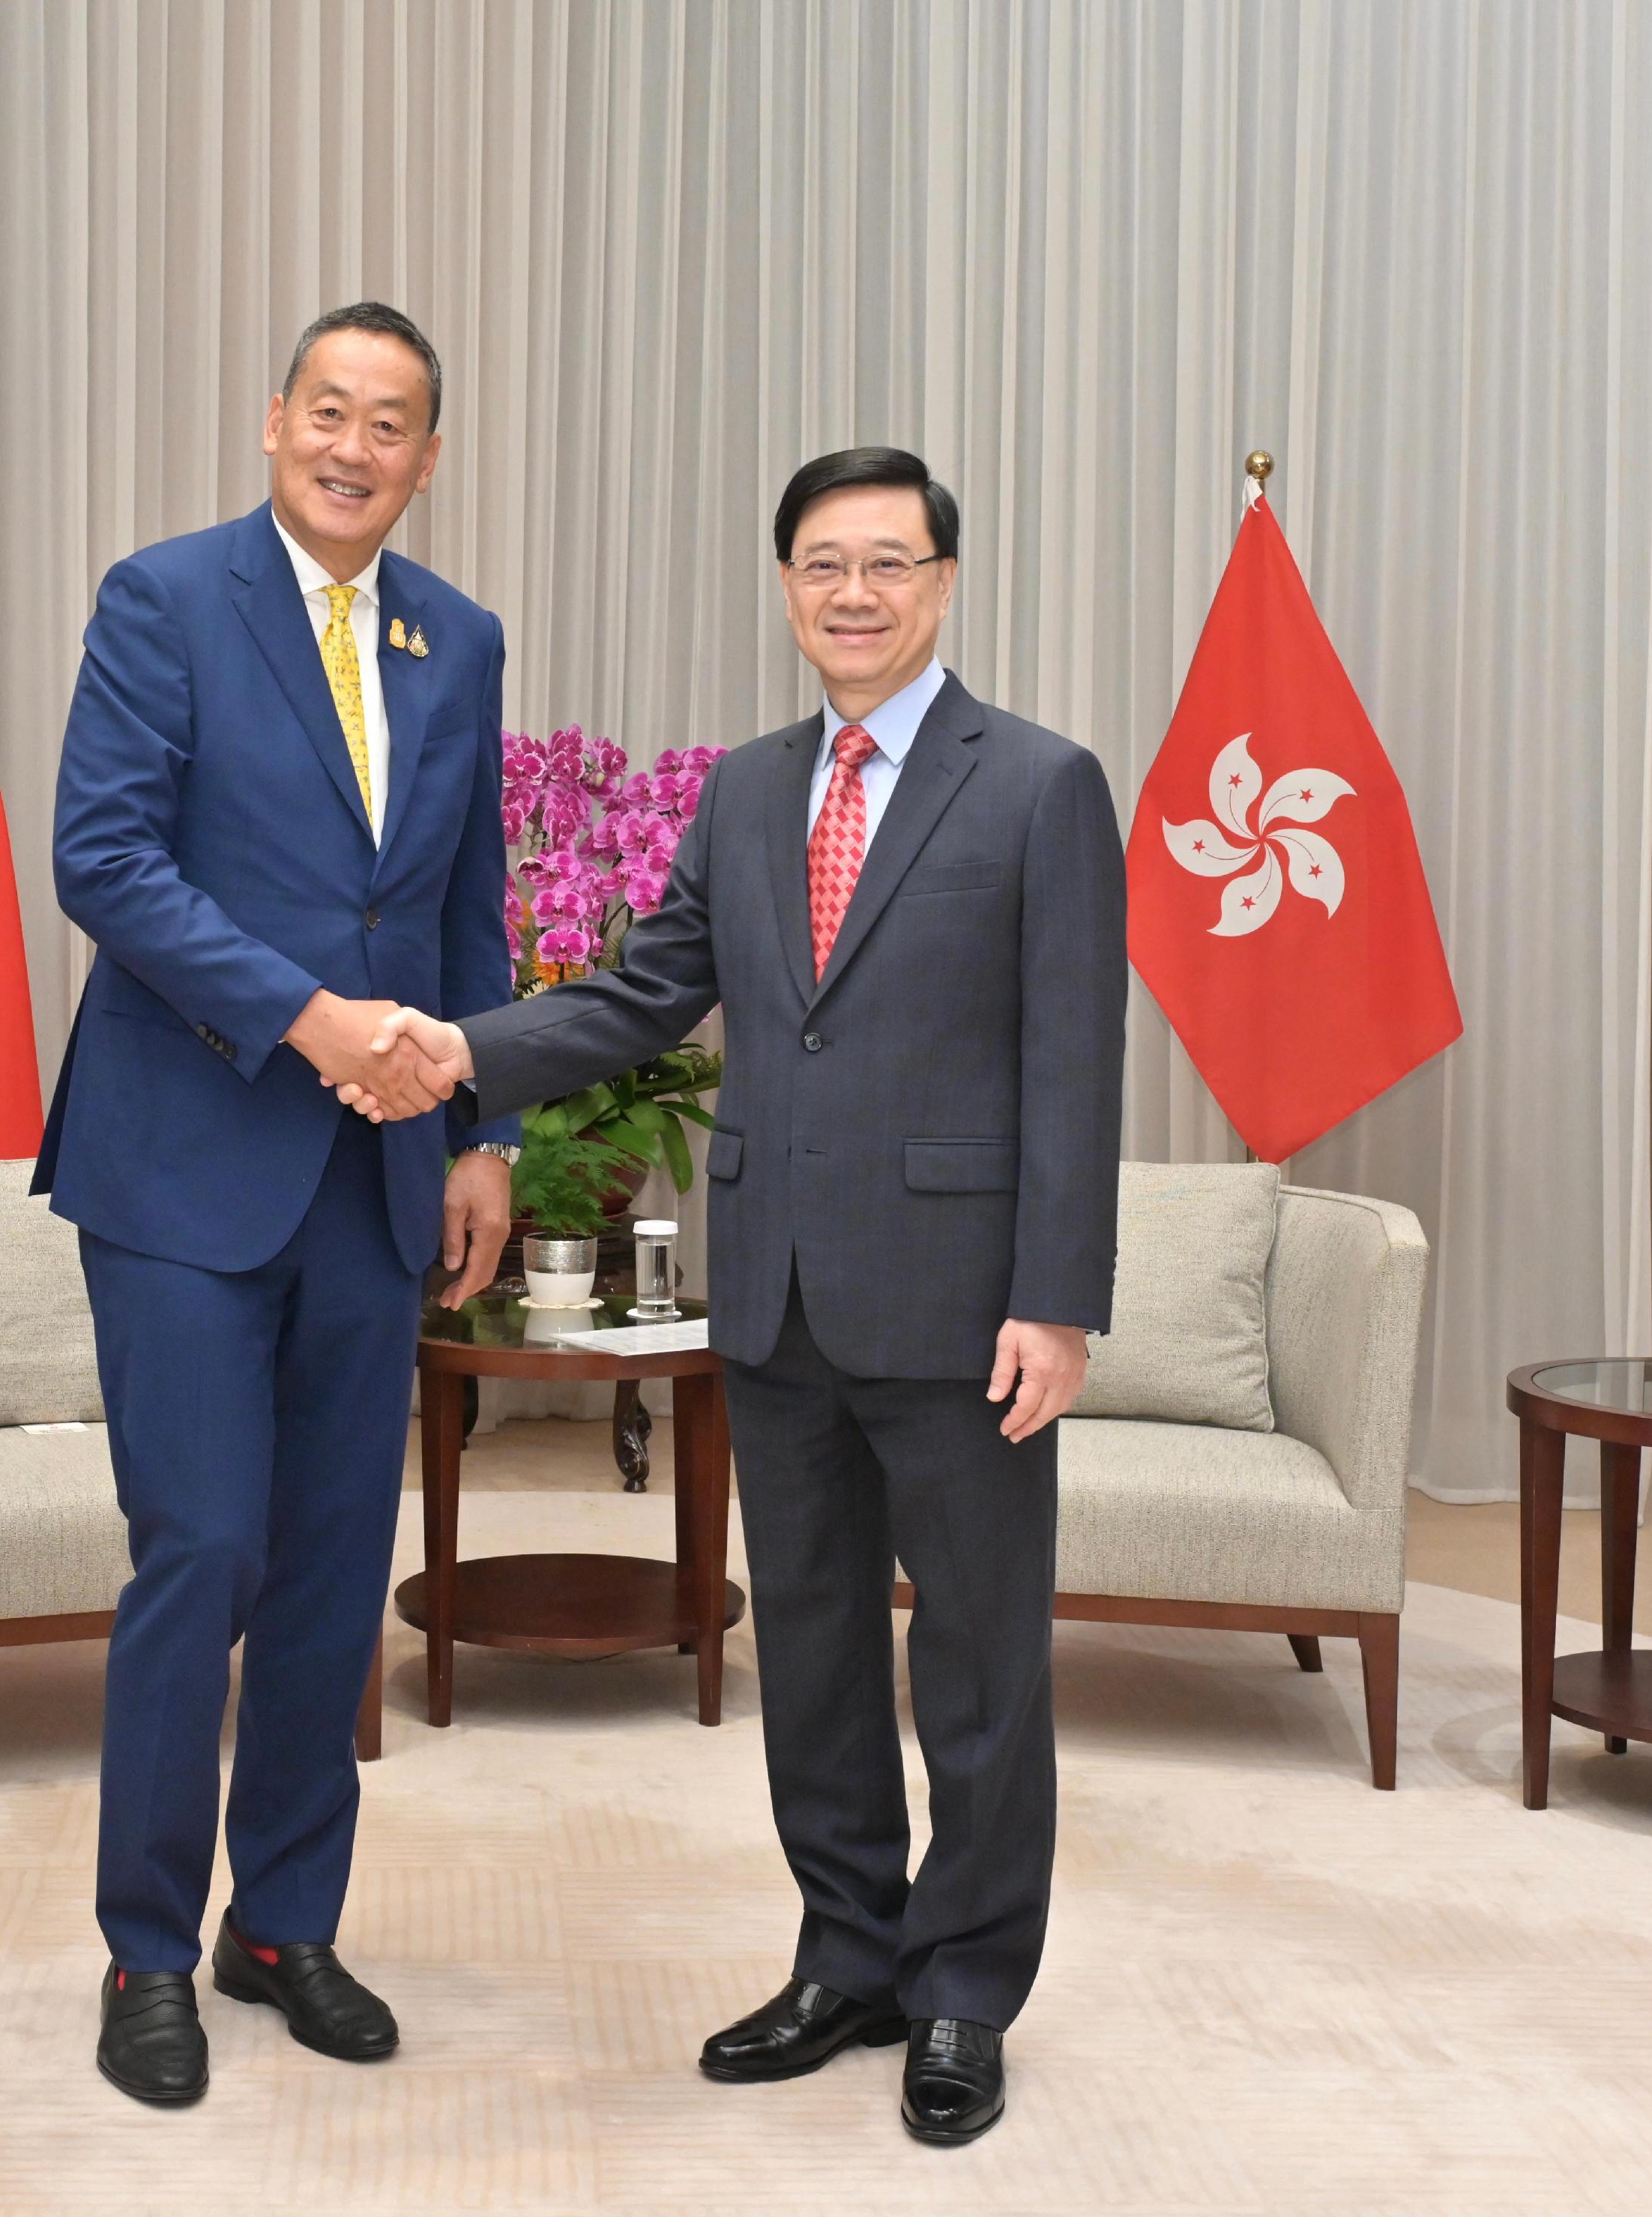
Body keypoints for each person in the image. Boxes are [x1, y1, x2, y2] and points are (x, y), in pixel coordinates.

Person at [352, 447, 1126, 2145]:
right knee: (823, 1658)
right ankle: (847, 1955)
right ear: (784, 586)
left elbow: (1073, 1062)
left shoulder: (1040, 786)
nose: (853, 593)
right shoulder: (748, 789)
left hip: (961, 1304)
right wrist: (458, 1053)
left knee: (983, 1670)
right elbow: (642, 994)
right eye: (820, 565)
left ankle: (962, 1992)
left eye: (887, 563)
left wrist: (1056, 1300)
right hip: (770, 1301)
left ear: (941, 581)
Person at [33, 302, 519, 2107]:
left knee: (328, 1571)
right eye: (328, 410)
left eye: (389, 424)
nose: (352, 445)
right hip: (183, 1163)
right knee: (203, 1554)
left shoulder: (453, 638)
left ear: (426, 458)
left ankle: (282, 1923)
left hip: (379, 1175)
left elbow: (465, 903)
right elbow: (104, 859)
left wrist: (484, 1137)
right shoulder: (163, 599)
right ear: (271, 422)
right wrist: (308, 1019)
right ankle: (146, 1947)